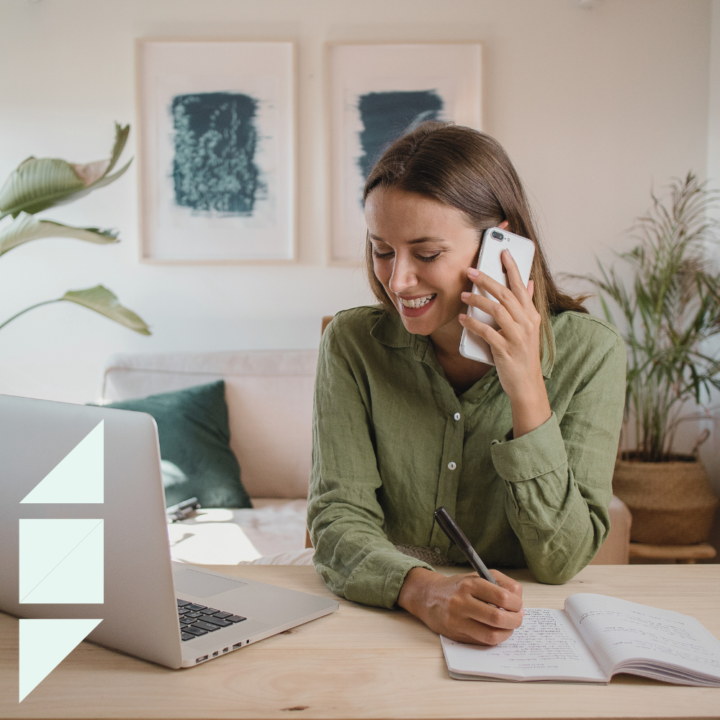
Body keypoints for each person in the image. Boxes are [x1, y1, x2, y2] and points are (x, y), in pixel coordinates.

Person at [307, 122, 626, 646]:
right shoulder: (352, 344)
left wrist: (525, 387)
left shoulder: (592, 354)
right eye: (382, 249)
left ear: (498, 246)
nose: (397, 280)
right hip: (382, 619)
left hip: (522, 631)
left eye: (427, 254)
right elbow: (338, 520)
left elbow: (561, 561)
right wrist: (425, 593)